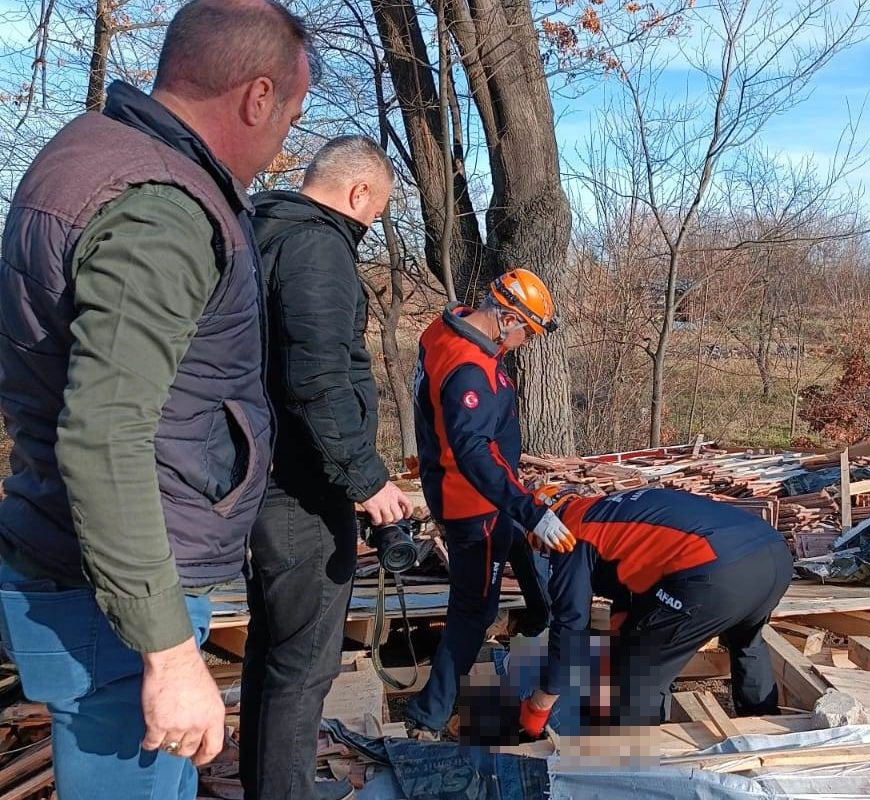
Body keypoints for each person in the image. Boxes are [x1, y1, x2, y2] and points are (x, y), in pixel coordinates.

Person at [0, 1, 313, 797]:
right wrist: (168, 651)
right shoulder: (162, 210)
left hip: (98, 576)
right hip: (118, 606)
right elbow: (104, 435)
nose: (285, 141)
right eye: (291, 115)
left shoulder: (95, 153)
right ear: (255, 97)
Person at [239, 136, 413, 800]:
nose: (371, 225)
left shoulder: (265, 234)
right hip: (303, 491)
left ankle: (269, 785)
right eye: (377, 209)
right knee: (305, 665)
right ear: (359, 191)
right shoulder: (317, 247)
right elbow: (317, 378)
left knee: (277, 653)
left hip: (274, 476)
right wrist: (365, 478)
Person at [405, 270, 575, 740]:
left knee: (514, 539)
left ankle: (536, 616)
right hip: (470, 503)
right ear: (505, 317)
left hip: (486, 494)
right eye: (526, 332)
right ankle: (429, 713)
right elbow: (473, 451)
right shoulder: (468, 371)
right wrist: (529, 508)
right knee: (474, 609)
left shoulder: (448, 328)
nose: (524, 343)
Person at [518, 485, 793, 737]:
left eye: (539, 543)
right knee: (747, 642)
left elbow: (569, 625)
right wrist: (620, 639)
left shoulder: (571, 534)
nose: (545, 551)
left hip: (715, 571)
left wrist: (540, 704)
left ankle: (642, 763)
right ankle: (764, 730)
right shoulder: (611, 510)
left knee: (638, 675)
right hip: (773, 555)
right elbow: (635, 579)